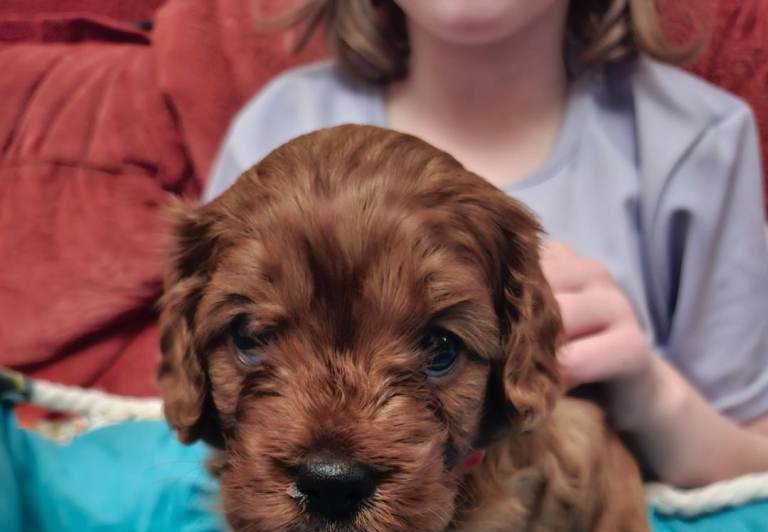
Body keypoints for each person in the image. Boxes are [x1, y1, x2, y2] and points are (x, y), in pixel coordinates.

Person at [204, 0, 768, 487]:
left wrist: (651, 391)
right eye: (261, 337)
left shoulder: (698, 141)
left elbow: (752, 474)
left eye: (437, 350)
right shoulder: (277, 126)